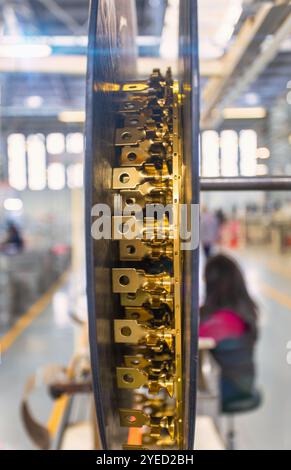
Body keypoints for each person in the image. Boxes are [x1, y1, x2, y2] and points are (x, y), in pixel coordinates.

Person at [199, 254, 258, 410]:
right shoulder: (242, 311)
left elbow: (192, 338)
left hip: (232, 389)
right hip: (243, 382)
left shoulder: (224, 320)